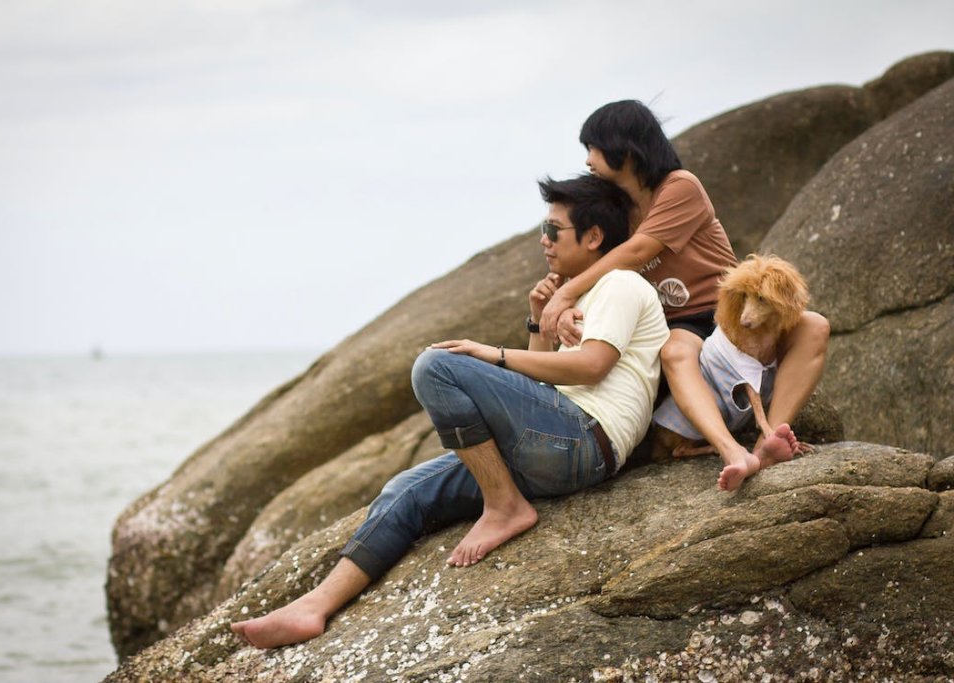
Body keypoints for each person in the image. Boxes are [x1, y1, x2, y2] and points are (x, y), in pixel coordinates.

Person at [230, 174, 670, 650]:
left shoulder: (621, 284)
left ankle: (503, 507)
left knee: (436, 366)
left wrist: (492, 354)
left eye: (552, 231)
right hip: (551, 442)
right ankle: (313, 608)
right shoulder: (573, 297)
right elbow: (541, 384)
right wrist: (535, 318)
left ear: (594, 236)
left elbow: (592, 366)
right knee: (407, 491)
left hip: (585, 439)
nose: (542, 241)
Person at [538, 100, 830, 491]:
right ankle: (732, 451)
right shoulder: (615, 209)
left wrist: (567, 293)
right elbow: (593, 256)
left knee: (813, 325)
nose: (588, 159)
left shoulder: (679, 186)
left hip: (724, 312)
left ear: (624, 148)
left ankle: (769, 440)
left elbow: (641, 250)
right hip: (674, 325)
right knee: (675, 350)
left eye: (594, 147)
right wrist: (557, 297)